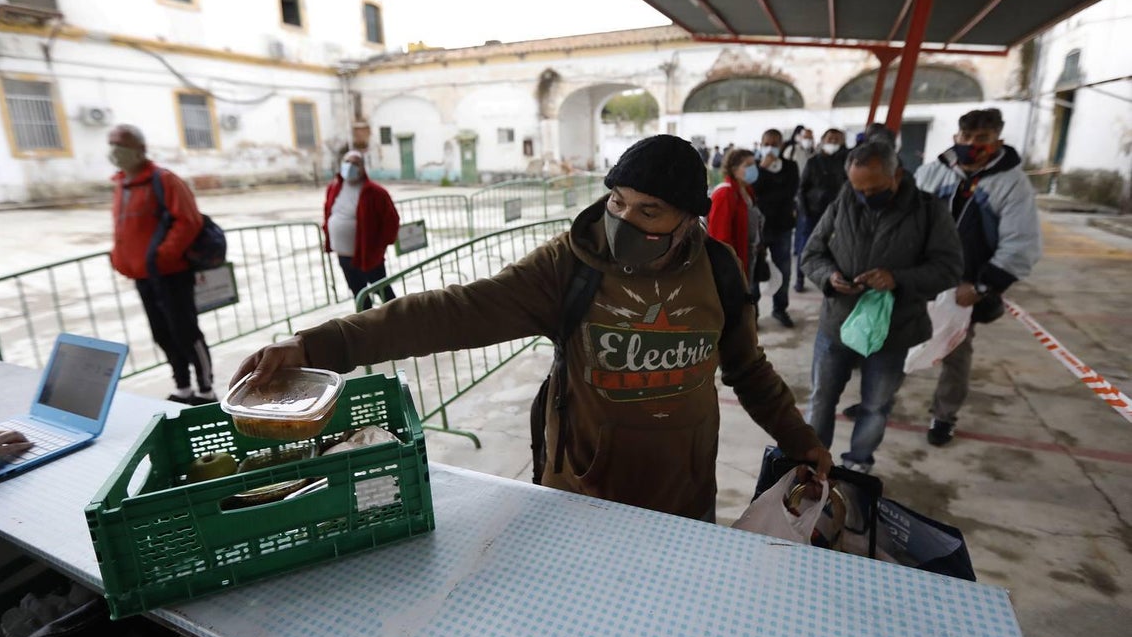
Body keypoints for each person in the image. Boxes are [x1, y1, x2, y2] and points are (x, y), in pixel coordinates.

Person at [234, 134, 833, 521]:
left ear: (688, 219)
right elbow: (459, 309)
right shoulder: (569, 264)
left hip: (685, 489)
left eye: (649, 211)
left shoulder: (719, 269)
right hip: (585, 488)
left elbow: (748, 369)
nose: (624, 220)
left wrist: (801, 440)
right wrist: (320, 343)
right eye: (618, 202)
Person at [800, 139, 963, 473]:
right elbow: (811, 254)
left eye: (873, 189)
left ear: (897, 175)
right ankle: (812, 461)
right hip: (839, 323)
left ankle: (858, 463)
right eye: (857, 188)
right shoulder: (845, 200)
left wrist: (898, 279)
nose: (864, 196)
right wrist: (830, 277)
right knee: (821, 398)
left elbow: (949, 269)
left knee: (875, 405)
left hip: (894, 328)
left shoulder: (929, 210)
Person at [914, 108, 1042, 446]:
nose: (972, 144)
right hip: (920, 279)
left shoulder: (1011, 184)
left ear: (997, 139)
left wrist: (983, 285)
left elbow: (1021, 243)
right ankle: (876, 402)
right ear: (956, 137)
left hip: (964, 287)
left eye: (982, 138)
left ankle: (943, 416)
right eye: (966, 138)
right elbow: (906, 218)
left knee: (956, 352)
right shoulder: (932, 173)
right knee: (894, 342)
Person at [109, 124, 215, 405]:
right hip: (144, 277)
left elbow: (188, 221)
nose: (114, 151)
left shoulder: (164, 181)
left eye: (121, 144)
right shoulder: (122, 184)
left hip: (172, 274)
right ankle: (182, 386)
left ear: (140, 149)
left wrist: (161, 256)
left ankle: (206, 389)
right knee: (162, 334)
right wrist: (121, 259)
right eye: (112, 144)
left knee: (186, 332)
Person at [323, 149, 400, 308]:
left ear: (362, 167)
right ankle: (367, 325)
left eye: (355, 163)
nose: (350, 166)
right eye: (347, 162)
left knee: (382, 290)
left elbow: (391, 221)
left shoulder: (375, 192)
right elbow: (328, 211)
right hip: (344, 255)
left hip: (368, 255)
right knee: (358, 293)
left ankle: (398, 317)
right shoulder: (334, 188)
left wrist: (378, 246)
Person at [752, 129, 801, 328]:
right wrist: (763, 170)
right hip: (759, 228)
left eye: (775, 143)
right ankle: (752, 313)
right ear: (761, 144)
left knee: (784, 270)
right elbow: (753, 193)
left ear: (781, 146)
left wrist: (766, 196)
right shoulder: (754, 167)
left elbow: (788, 193)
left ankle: (780, 309)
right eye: (767, 143)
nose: (770, 147)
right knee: (754, 270)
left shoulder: (790, 167)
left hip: (782, 227)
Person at [794, 129, 848, 293]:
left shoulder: (845, 162)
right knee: (807, 246)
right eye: (830, 139)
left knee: (836, 248)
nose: (833, 142)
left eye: (837, 140)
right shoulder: (813, 162)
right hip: (813, 212)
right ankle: (800, 279)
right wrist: (804, 212)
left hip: (837, 213)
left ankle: (832, 278)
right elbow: (802, 188)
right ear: (823, 140)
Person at [707, 148, 765, 284]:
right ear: (734, 169)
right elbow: (720, 238)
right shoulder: (725, 194)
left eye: (754, 164)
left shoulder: (747, 190)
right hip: (732, 265)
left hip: (748, 255)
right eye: (747, 165)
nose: (753, 169)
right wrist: (730, 269)